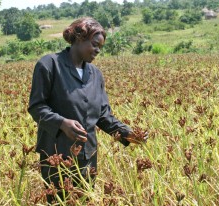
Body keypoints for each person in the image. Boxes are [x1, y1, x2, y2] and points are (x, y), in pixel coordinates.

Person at [27, 17, 145, 204]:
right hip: (56, 157)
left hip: (87, 157)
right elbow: (36, 107)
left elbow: (103, 116)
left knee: (84, 200)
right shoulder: (49, 65)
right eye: (95, 45)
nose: (98, 50)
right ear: (80, 38)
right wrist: (62, 123)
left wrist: (128, 134)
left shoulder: (95, 74)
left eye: (101, 47)